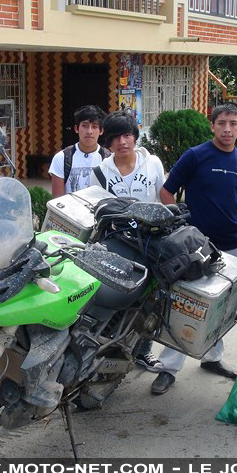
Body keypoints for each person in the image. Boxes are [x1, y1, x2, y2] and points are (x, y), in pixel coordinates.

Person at [150, 102, 237, 395]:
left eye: (233, 123)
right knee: (184, 304)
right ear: (212, 126)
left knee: (221, 306)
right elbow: (166, 191)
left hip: (230, 245)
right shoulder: (196, 156)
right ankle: (168, 368)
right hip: (194, 246)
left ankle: (212, 357)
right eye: (222, 123)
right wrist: (179, 228)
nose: (227, 129)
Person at [90, 110, 166, 371]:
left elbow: (164, 200)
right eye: (115, 138)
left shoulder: (152, 163)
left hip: (151, 242)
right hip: (118, 241)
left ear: (135, 136)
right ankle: (109, 345)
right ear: (107, 142)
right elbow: (96, 210)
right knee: (113, 292)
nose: (122, 142)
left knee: (153, 298)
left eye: (127, 135)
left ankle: (144, 350)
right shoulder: (100, 172)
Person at [49, 105, 109, 198]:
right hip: (70, 211)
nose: (89, 131)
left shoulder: (109, 159)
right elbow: (57, 201)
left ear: (101, 131)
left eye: (94, 127)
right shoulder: (62, 158)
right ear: (76, 128)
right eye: (85, 126)